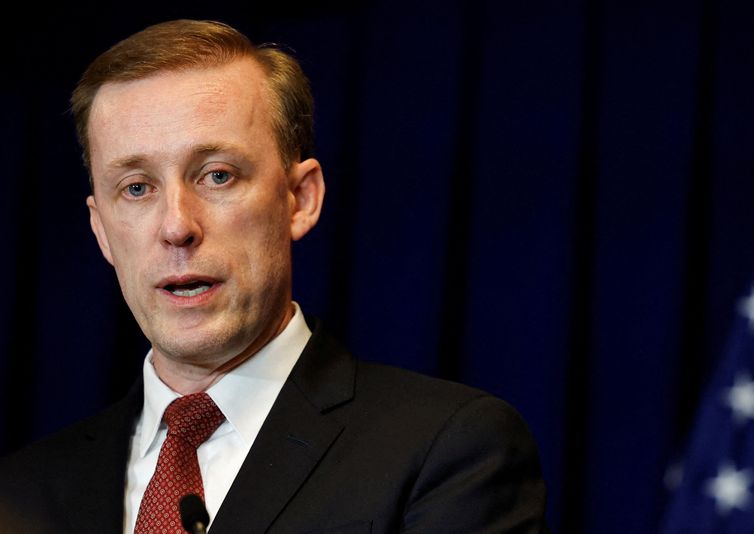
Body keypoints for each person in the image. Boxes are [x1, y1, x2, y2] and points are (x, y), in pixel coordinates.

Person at [0, 19, 548, 533]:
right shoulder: (21, 492)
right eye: (137, 188)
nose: (176, 227)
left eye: (217, 175)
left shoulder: (447, 450)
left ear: (299, 199)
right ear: (101, 229)